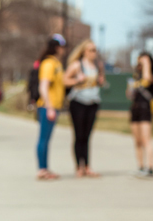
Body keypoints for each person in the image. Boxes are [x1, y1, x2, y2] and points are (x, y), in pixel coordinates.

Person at [35, 34, 78, 180]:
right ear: (57, 47)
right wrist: (50, 107)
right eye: (62, 46)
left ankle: (45, 168)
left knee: (46, 139)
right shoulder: (49, 64)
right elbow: (43, 86)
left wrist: (78, 80)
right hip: (48, 107)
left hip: (53, 106)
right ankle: (42, 169)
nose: (64, 50)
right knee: (43, 139)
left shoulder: (56, 63)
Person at [64, 39, 105, 177]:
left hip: (93, 102)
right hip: (78, 102)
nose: (94, 52)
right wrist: (77, 80)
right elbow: (64, 80)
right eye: (91, 50)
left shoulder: (98, 65)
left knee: (87, 136)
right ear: (84, 51)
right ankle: (78, 167)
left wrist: (100, 81)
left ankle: (87, 166)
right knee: (78, 135)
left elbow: (101, 81)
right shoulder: (77, 65)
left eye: (95, 50)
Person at [129, 52, 153, 177]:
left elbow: (147, 79)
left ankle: (150, 168)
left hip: (145, 108)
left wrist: (146, 63)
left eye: (143, 62)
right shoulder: (136, 76)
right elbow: (130, 95)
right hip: (135, 108)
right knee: (137, 141)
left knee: (146, 139)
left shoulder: (152, 75)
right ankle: (141, 167)